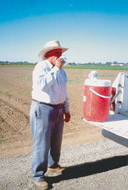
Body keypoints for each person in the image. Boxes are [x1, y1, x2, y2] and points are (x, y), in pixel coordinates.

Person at [30, 40, 70, 189]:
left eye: (61, 53)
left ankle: (53, 164)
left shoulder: (61, 71)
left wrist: (66, 109)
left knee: (56, 141)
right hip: (43, 108)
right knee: (41, 144)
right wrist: (56, 70)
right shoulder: (41, 68)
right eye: (57, 53)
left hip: (58, 109)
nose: (61, 56)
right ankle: (38, 175)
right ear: (48, 55)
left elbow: (63, 91)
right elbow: (42, 86)